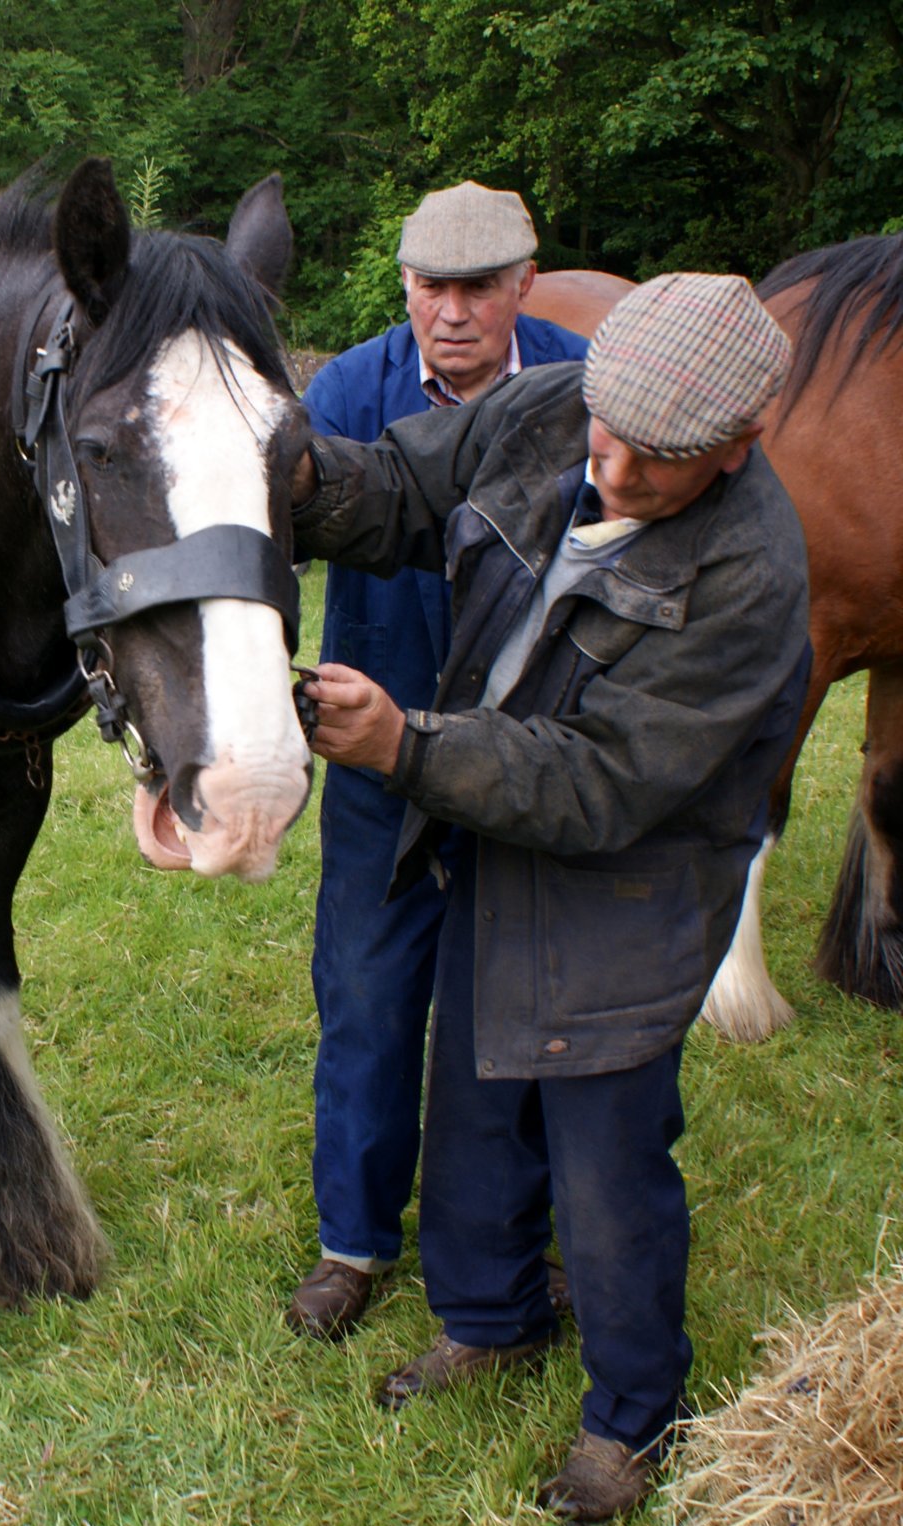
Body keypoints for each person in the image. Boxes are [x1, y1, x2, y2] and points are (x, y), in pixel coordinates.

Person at [288, 272, 810, 1523]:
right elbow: (407, 486)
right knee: (469, 1103)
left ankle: (631, 1415)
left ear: (739, 447)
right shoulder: (546, 409)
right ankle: (490, 1319)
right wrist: (295, 478)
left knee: (606, 1170)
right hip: (492, 844)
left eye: (657, 463)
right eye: (605, 438)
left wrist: (405, 749)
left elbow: (604, 780)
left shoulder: (752, 577)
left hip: (627, 889)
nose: (613, 473)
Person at [288, 182, 587, 1341]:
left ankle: (530, 1236)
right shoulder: (344, 394)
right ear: (402, 283)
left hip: (528, 756)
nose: (451, 311)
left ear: (523, 281)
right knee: (365, 997)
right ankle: (351, 1244)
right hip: (377, 751)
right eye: (430, 286)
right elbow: (274, 546)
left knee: (523, 1008)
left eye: (478, 287)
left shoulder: (580, 381)